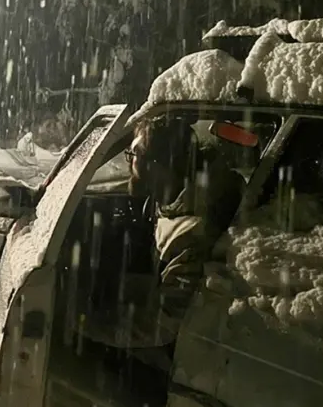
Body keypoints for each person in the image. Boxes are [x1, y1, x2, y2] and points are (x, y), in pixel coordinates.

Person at [94, 116, 245, 366]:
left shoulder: (194, 229)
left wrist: (88, 323)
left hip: (180, 357)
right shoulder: (173, 194)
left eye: (135, 154)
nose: (130, 160)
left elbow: (164, 323)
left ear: (159, 165)